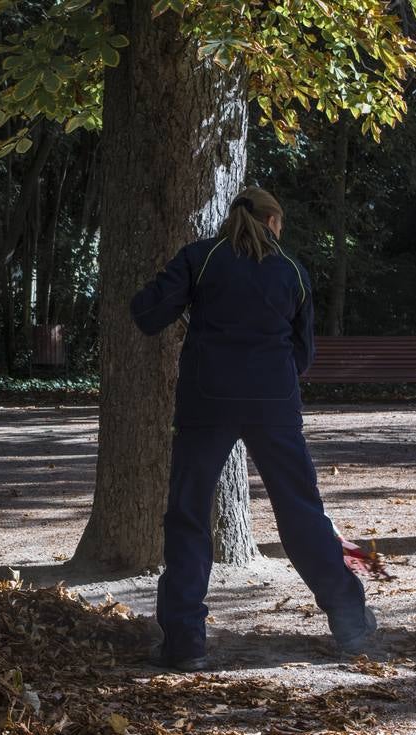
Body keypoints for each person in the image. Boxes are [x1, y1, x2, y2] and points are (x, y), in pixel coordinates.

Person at [131, 186, 376, 671]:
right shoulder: (291, 270)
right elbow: (303, 356)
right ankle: (352, 626)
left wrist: (191, 309)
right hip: (274, 403)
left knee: (188, 515)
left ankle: (184, 643)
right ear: (273, 222)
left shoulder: (200, 259)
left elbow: (146, 314)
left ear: (232, 219)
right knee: (301, 513)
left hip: (208, 400)